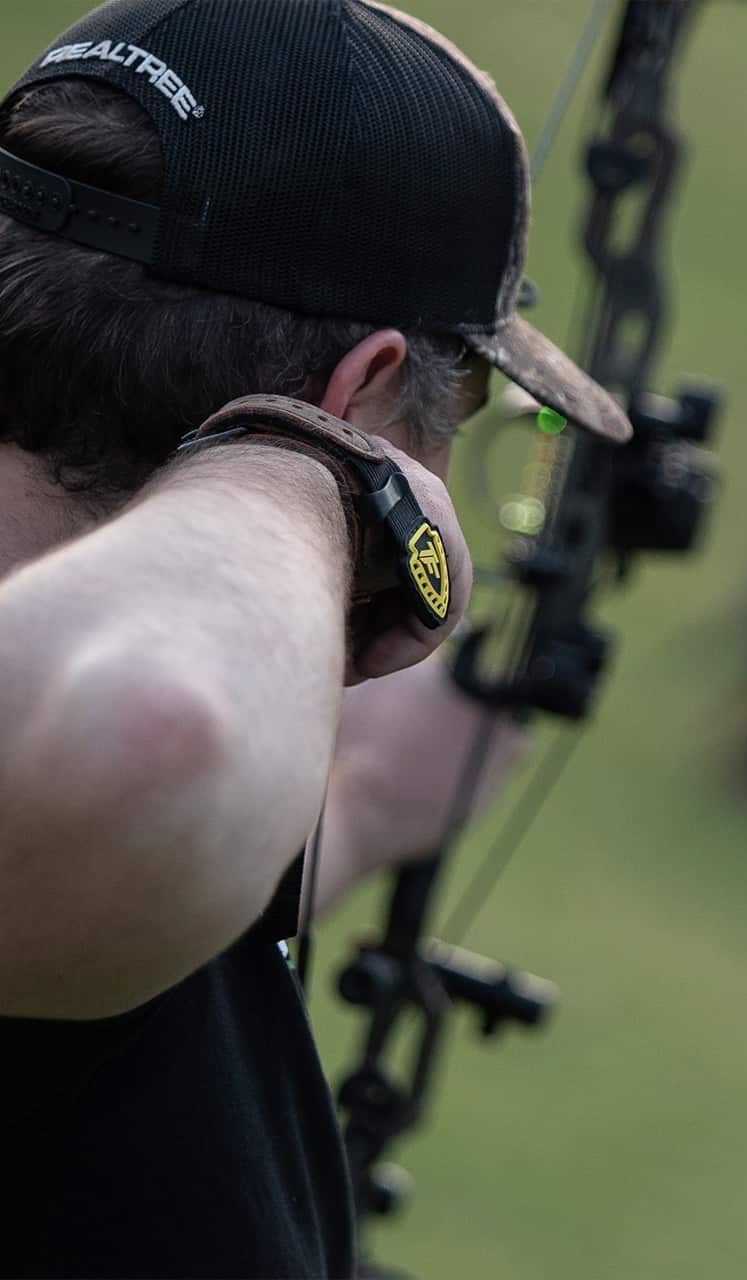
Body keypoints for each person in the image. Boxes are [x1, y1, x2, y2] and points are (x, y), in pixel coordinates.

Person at [0, 1, 630, 1276]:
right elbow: (145, 730)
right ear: (362, 387)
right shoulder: (107, 719)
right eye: (454, 398)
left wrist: (361, 798)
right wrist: (319, 474)